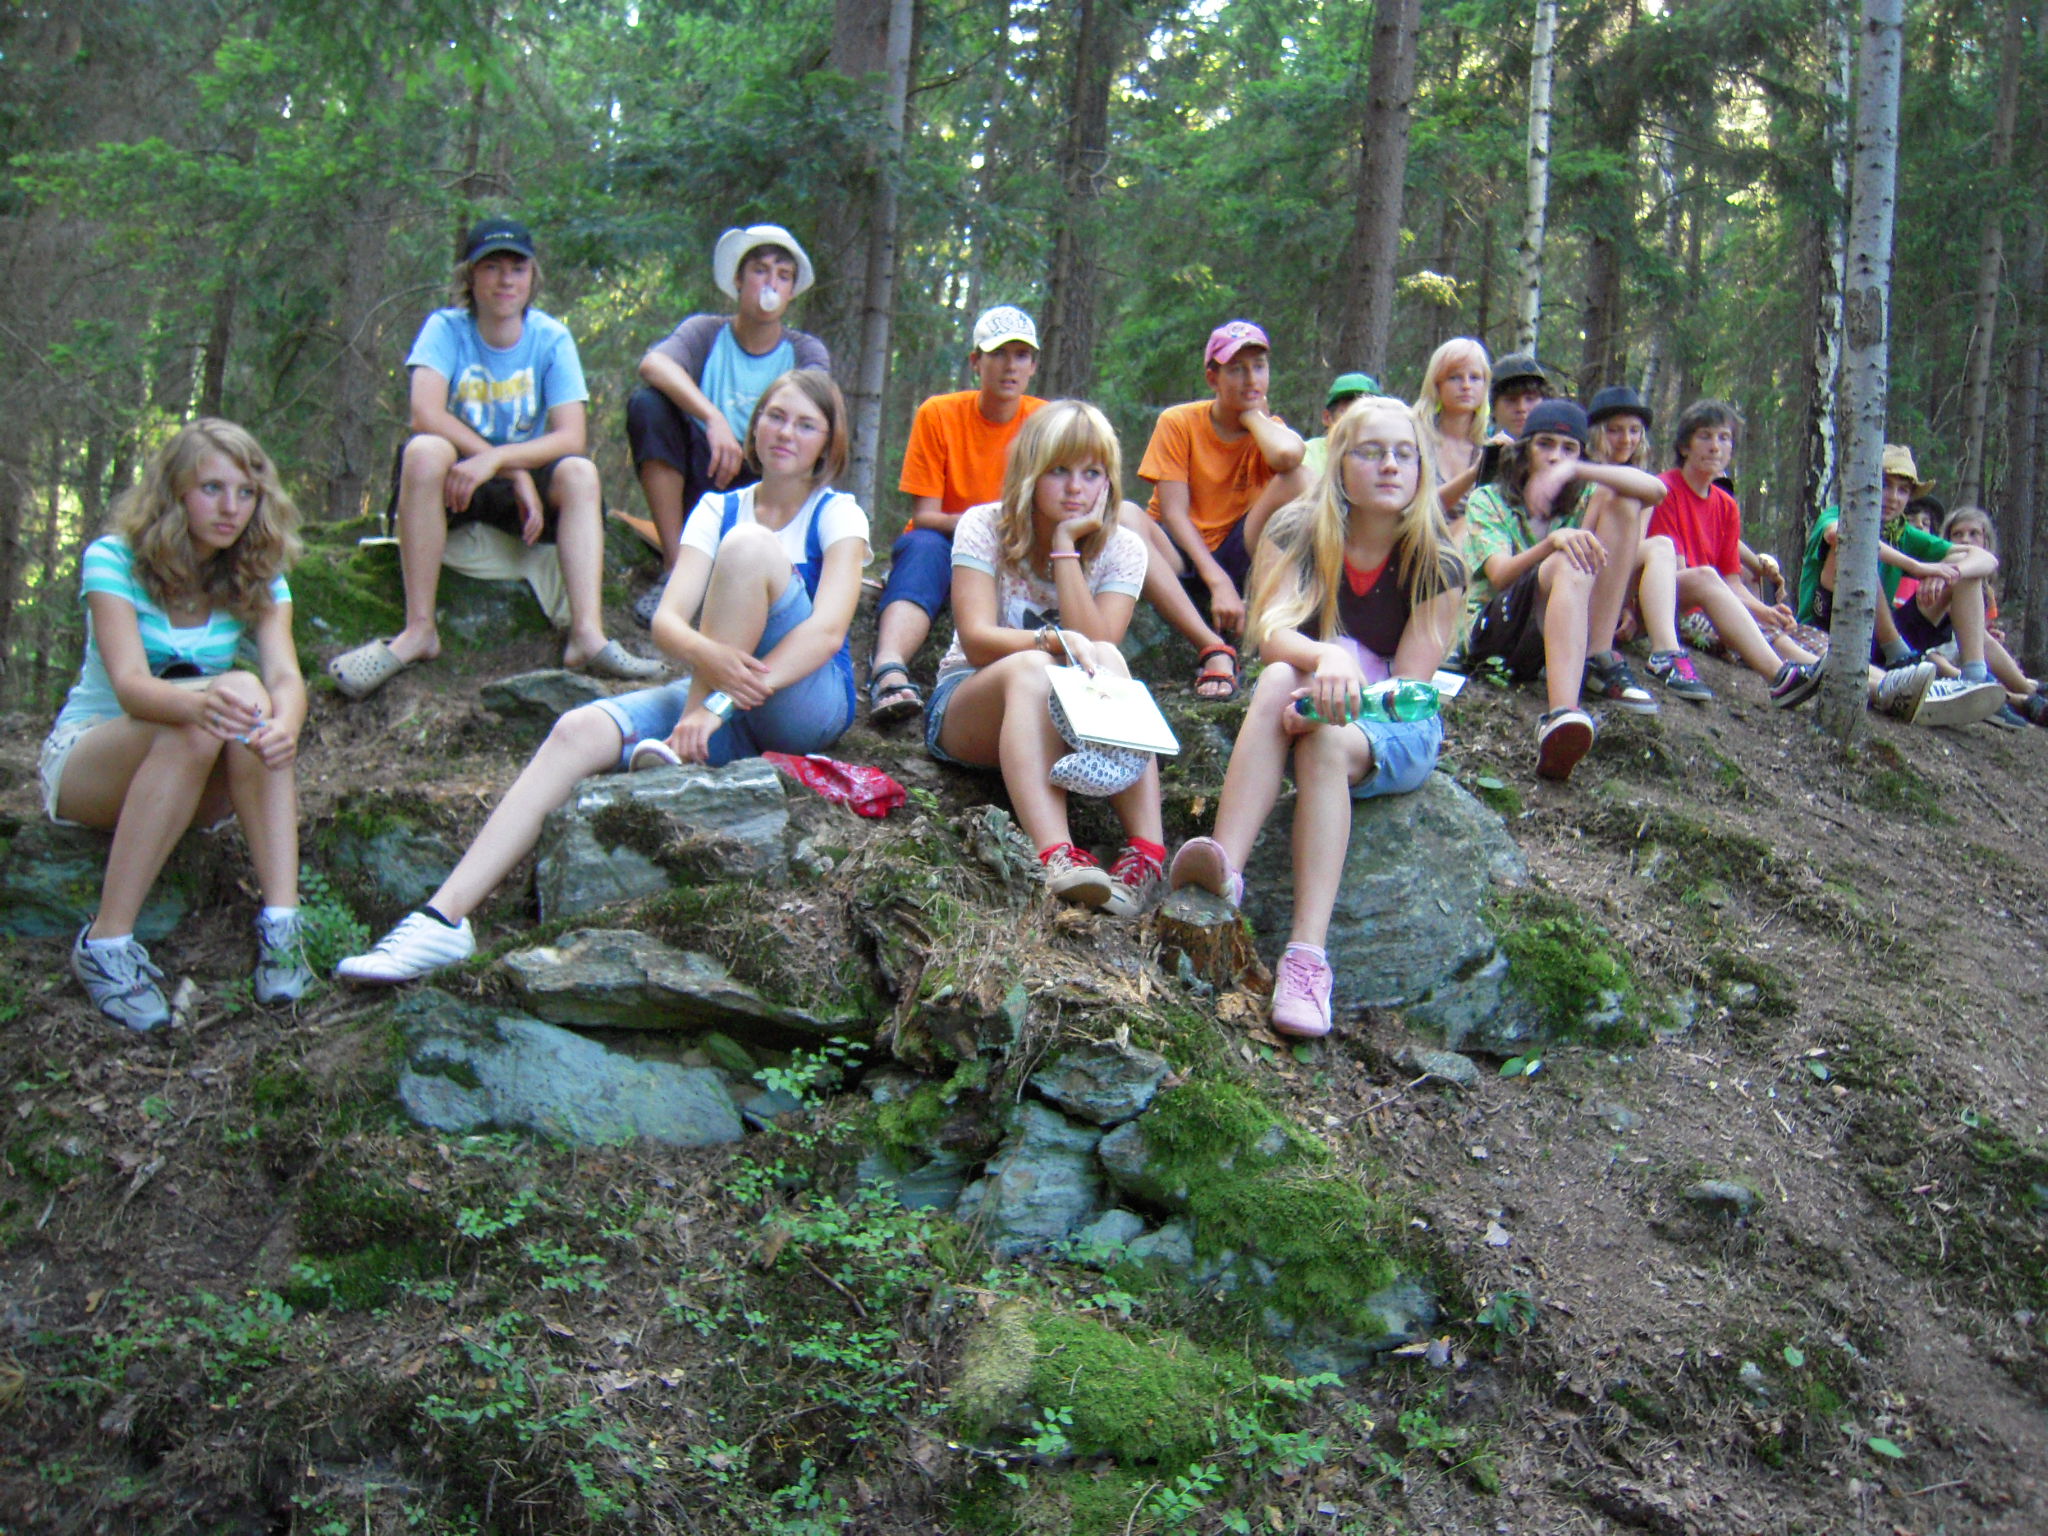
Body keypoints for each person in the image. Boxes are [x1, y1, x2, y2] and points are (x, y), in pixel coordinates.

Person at [337, 370, 867, 983]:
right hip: (718, 698)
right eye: (775, 416)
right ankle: (442, 919)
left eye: (806, 425)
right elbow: (667, 623)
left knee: (749, 547)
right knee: (576, 730)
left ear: (828, 444)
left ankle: (683, 745)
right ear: (755, 426)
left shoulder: (837, 513)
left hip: (802, 700)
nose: (786, 433)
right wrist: (711, 663)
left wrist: (716, 704)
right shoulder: (717, 508)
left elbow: (827, 633)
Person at [1169, 396, 1465, 1038]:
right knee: (1280, 677)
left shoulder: (1438, 563)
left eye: (1405, 454)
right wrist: (1326, 658)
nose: (1390, 466)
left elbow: (1409, 694)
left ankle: (1307, 958)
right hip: (1309, 691)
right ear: (1339, 464)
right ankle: (1222, 876)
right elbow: (1272, 636)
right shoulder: (1297, 529)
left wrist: (1335, 705)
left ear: (1422, 470)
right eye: (1371, 452)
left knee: (1325, 742)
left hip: (1391, 721)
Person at [44, 420, 311, 1030]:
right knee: (226, 700)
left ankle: (283, 927)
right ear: (175, 492)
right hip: (93, 759)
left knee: (249, 698)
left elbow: (285, 678)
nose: (231, 508)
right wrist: (209, 704)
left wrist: (286, 729)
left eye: (246, 493)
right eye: (212, 489)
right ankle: (106, 944)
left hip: (193, 772)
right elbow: (131, 687)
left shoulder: (259, 570)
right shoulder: (114, 559)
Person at [328, 218, 660, 698]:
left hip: (520, 492)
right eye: (492, 268)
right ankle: (419, 630)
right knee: (424, 450)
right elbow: (425, 412)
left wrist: (507, 465)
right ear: (470, 276)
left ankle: (587, 635)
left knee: (580, 473)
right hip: (459, 482)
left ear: (532, 277)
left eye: (517, 268)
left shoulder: (550, 338)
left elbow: (572, 435)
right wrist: (500, 466)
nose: (506, 280)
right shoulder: (446, 328)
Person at [923, 400, 1165, 917]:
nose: (1076, 488)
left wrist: (1065, 549)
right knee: (1035, 669)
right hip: (971, 704)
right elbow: (976, 640)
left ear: (1109, 482)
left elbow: (1098, 646)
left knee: (1108, 658)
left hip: (1072, 719)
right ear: (1031, 471)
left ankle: (1146, 855)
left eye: (1091, 473)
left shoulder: (1124, 548)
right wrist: (1051, 642)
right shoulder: (984, 525)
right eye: (1059, 470)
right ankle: (1056, 856)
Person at [624, 224, 833, 628]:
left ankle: (777, 579)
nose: (770, 284)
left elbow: (820, 413)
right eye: (760, 270)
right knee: (648, 407)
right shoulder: (705, 333)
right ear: (738, 279)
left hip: (763, 482)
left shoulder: (804, 351)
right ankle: (676, 568)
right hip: (703, 472)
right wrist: (713, 418)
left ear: (791, 291)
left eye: (783, 275)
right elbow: (654, 364)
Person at [1460, 401, 1673, 780]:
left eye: (1568, 449)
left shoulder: (1583, 495)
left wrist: (1579, 470)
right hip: (1496, 633)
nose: (1556, 457)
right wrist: (1552, 543)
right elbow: (1500, 576)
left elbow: (1655, 491)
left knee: (1622, 502)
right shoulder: (1489, 499)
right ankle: (1561, 714)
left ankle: (1596, 657)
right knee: (1568, 559)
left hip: (1554, 627)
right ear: (1525, 449)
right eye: (1545, 444)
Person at [1796, 443, 2005, 727]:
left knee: (1966, 569)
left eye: (1903, 490)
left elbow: (1985, 558)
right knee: (1855, 550)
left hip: (1877, 640)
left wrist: (1949, 573)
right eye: (1885, 485)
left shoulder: (1903, 532)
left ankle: (1974, 677)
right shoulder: (1837, 514)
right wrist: (1918, 567)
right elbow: (1842, 535)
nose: (1893, 498)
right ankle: (1898, 656)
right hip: (1827, 630)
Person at [1131, 321, 1309, 645]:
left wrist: (1253, 417)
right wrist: (1218, 581)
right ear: (1213, 378)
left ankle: (1270, 621)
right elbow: (1173, 513)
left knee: (1301, 479)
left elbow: (1289, 457)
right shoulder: (1178, 421)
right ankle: (1206, 641)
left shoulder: (1268, 432)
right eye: (1237, 370)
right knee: (1125, 514)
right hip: (1181, 549)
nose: (1251, 380)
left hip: (1238, 548)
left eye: (1259, 367)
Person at [1644, 400, 1825, 709]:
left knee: (1808, 636)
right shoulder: (1666, 489)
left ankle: (1881, 687)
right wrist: (1755, 615)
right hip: (1674, 605)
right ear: (1684, 446)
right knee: (1770, 633)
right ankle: (1790, 677)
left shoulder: (1726, 506)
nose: (1715, 447)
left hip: (1712, 599)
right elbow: (1678, 575)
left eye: (1724, 438)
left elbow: (1732, 583)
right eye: (1705, 436)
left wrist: (1764, 610)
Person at [1585, 386, 1706, 702]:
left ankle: (1667, 651)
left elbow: (1630, 552)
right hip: (1581, 572)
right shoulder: (1582, 474)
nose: (1626, 439)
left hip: (1612, 582)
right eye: (1615, 430)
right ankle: (1666, 652)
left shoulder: (1640, 482)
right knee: (1661, 545)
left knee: (1661, 546)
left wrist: (1627, 605)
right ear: (1597, 433)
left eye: (1634, 431)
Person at [1905, 507, 2048, 728]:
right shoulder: (1932, 565)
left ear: (1986, 539)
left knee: (1982, 637)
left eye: (1974, 534)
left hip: (1952, 646)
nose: (1966, 540)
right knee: (1937, 657)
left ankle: (2028, 691)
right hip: (1928, 649)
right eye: (1958, 534)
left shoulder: (1985, 588)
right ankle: (2003, 694)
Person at [1412, 338, 1490, 515]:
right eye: (1455, 377)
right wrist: (1473, 473)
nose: (1466, 386)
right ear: (1436, 384)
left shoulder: (1487, 447)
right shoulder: (1414, 437)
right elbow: (1415, 509)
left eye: (1475, 378)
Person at [1301, 372, 1382, 478]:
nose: (1359, 420)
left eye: (1368, 414)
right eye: (1349, 413)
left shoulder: (1388, 457)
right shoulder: (1306, 455)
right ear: (1327, 418)